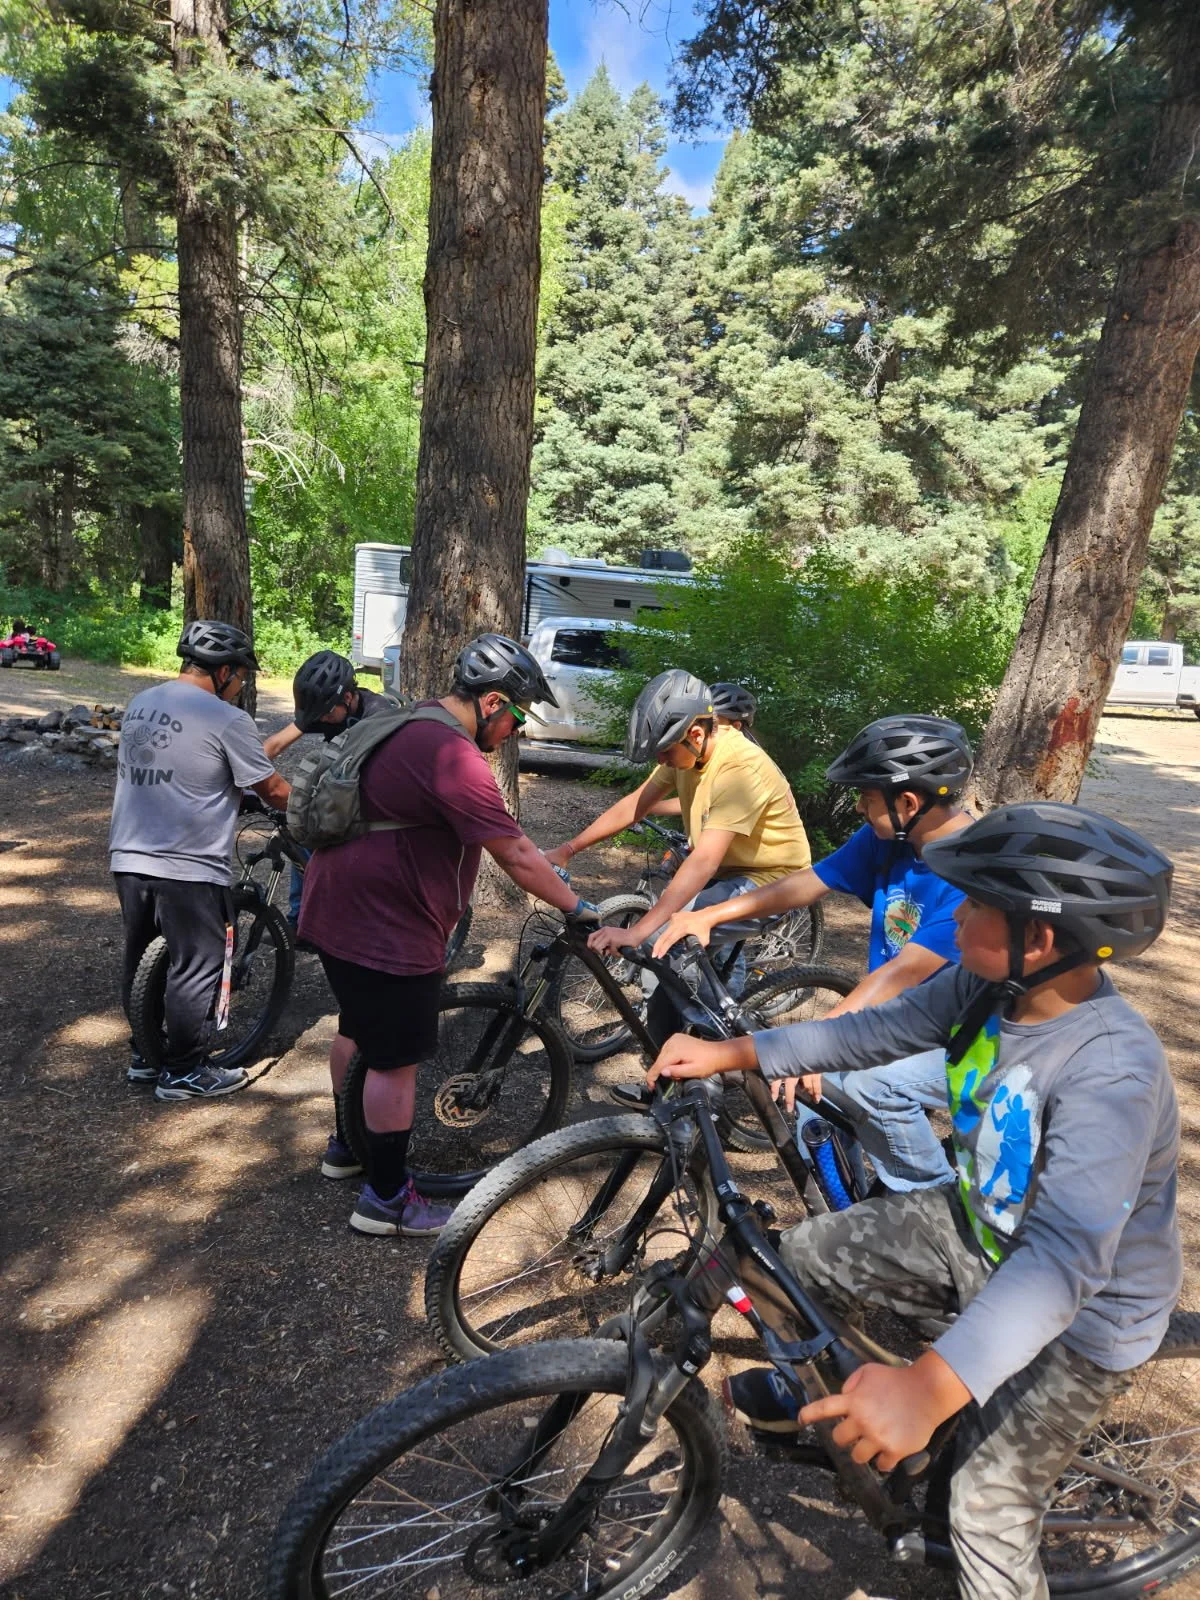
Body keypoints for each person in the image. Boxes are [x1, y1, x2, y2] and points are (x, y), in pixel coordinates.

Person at [647, 801, 1179, 1600]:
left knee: (985, 1513)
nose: (955, 913)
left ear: (1037, 940)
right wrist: (737, 1051)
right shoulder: (986, 987)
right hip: (978, 1230)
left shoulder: (1111, 1073)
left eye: (976, 905)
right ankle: (835, 1399)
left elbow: (1064, 1259)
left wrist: (930, 1389)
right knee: (791, 1264)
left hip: (1085, 1310)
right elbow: (875, 1033)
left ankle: (939, 1437)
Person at [298, 632, 595, 1238]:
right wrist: (577, 906)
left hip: (336, 907)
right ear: (491, 703)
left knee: (357, 1030)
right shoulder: (451, 753)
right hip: (385, 924)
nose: (515, 730)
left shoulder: (412, 720)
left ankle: (348, 1146)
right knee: (394, 1062)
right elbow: (513, 850)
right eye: (515, 715)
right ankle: (386, 1200)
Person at [654, 714, 975, 1190]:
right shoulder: (891, 839)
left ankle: (931, 1206)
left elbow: (902, 974)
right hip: (897, 1019)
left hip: (962, 1041)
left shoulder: (970, 875)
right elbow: (807, 883)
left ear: (907, 802)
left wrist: (818, 1042)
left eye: (867, 797)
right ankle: (849, 1208)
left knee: (866, 1086)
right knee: (812, 1100)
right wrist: (711, 916)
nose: (860, 807)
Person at [546, 669, 812, 1049]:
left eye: (665, 751)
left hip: (774, 880)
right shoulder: (683, 750)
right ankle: (669, 1066)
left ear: (698, 734)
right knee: (676, 953)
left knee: (666, 941)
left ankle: (716, 1057)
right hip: (729, 872)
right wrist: (567, 849)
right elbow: (634, 806)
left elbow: (702, 861)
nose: (661, 758)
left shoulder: (740, 767)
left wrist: (638, 931)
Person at [110, 621, 291, 1100]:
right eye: (241, 678)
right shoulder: (228, 719)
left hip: (128, 855)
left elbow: (175, 771)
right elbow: (270, 788)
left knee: (142, 955)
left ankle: (146, 1054)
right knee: (197, 963)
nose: (240, 687)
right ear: (225, 671)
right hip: (188, 864)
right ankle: (185, 1071)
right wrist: (316, 807)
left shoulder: (141, 703)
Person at [260, 651, 393, 932]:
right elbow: (275, 745)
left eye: (326, 714)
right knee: (302, 834)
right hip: (343, 778)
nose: (322, 719)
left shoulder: (379, 715)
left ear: (347, 697)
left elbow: (384, 776)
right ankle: (301, 921)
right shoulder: (324, 705)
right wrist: (245, 769)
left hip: (375, 786)